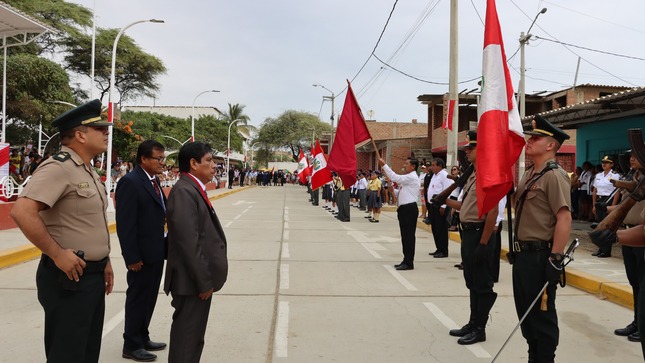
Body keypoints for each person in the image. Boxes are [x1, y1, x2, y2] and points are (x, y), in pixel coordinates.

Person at [10, 99, 114, 363]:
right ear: (79, 135)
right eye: (100, 128)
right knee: (67, 355)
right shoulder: (59, 167)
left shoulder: (87, 170)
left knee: (87, 351)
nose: (106, 132)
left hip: (90, 274)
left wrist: (104, 260)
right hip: (67, 277)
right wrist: (57, 254)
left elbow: (87, 223)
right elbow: (22, 212)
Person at [512, 115, 572, 363]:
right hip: (523, 255)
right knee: (526, 315)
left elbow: (564, 218)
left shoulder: (554, 175)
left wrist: (556, 258)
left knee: (543, 316)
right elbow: (520, 206)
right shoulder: (529, 174)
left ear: (550, 145)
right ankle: (533, 357)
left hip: (540, 256)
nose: (530, 141)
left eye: (536, 138)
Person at [164, 142, 228, 363]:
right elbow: (188, 243)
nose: (214, 166)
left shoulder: (192, 188)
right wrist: (203, 281)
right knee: (187, 340)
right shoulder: (184, 191)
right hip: (191, 282)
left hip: (194, 281)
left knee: (193, 339)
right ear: (193, 163)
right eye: (209, 160)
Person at [115, 140, 168, 362]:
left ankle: (143, 336)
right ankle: (131, 344)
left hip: (156, 252)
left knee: (149, 298)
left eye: (163, 159)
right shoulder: (130, 182)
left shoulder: (153, 180)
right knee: (138, 298)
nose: (162, 163)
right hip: (141, 256)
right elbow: (126, 225)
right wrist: (132, 257)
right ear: (143, 159)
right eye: (158, 159)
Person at [445, 130, 498, 345]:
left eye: (471, 148)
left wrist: (484, 244)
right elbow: (467, 206)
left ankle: (480, 328)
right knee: (471, 281)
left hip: (480, 234)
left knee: (482, 284)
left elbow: (492, 212)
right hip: (469, 232)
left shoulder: (487, 175)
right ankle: (472, 322)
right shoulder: (474, 174)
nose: (466, 151)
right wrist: (444, 202)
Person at [612, 151, 645, 343]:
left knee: (642, 282)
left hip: (640, 237)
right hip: (628, 232)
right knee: (634, 281)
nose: (631, 158)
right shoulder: (632, 177)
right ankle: (637, 322)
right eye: (630, 155)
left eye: (636, 155)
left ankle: (642, 325)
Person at [378, 157, 420, 270]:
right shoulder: (408, 179)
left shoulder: (411, 176)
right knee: (405, 236)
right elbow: (402, 192)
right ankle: (406, 260)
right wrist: (393, 190)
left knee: (409, 236)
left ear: (413, 166)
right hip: (404, 209)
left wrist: (384, 165)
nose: (404, 165)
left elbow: (395, 177)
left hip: (409, 209)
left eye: (407, 163)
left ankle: (409, 262)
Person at [591, 155, 620, 257]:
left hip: (609, 200)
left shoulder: (615, 176)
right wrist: (594, 205)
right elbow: (594, 191)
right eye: (603, 162)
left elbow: (617, 192)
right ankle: (600, 248)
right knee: (599, 225)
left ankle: (606, 251)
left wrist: (613, 206)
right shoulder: (598, 175)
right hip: (600, 200)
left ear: (612, 164)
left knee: (607, 226)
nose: (604, 164)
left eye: (607, 162)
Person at [427, 158, 454, 258]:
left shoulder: (444, 175)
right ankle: (438, 248)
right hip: (433, 205)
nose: (432, 167)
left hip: (440, 205)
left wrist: (443, 206)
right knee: (435, 228)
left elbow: (447, 191)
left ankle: (443, 250)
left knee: (441, 228)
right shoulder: (434, 175)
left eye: (434, 165)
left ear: (440, 166)